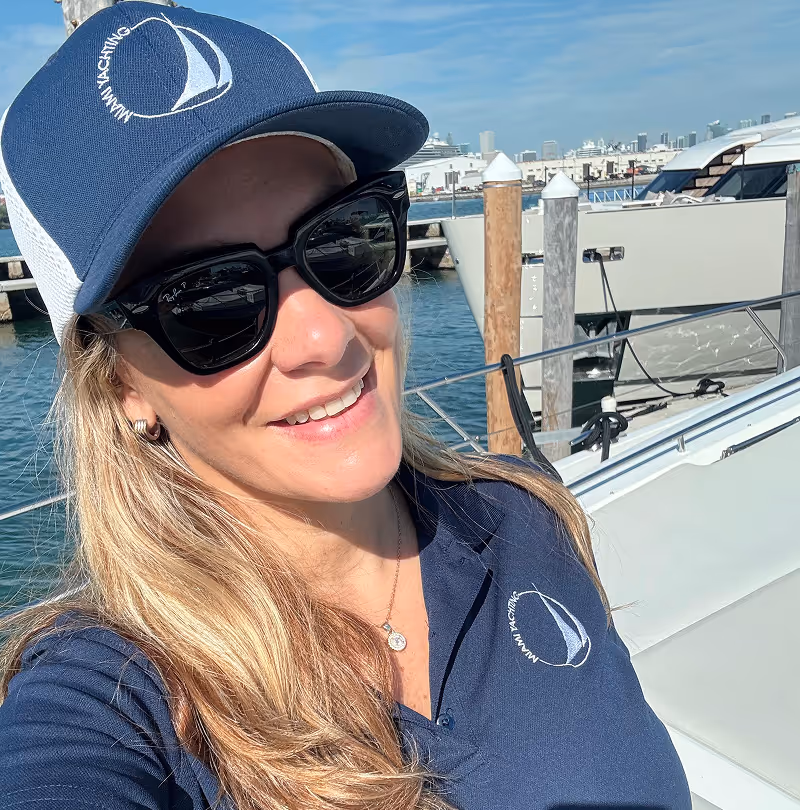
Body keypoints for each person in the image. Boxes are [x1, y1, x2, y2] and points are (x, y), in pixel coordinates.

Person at [0, 4, 691, 810]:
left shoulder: (524, 516)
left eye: (343, 241)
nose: (324, 337)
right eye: (212, 301)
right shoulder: (116, 701)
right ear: (122, 384)